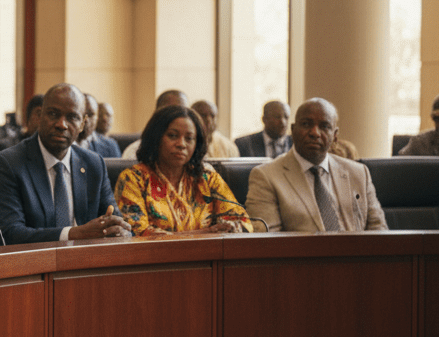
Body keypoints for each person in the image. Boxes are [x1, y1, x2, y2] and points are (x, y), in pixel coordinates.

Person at [0, 83, 131, 244]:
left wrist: (119, 231)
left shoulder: (93, 164)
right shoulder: (7, 164)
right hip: (28, 264)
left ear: (83, 124)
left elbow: (116, 222)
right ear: (39, 116)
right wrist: (75, 234)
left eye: (72, 117)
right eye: (53, 114)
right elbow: (10, 234)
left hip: (86, 262)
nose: (62, 124)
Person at [245, 98, 387, 232]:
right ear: (293, 130)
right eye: (306, 124)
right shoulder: (265, 176)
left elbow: (379, 231)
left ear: (335, 135)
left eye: (324, 126)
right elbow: (268, 244)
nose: (314, 133)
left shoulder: (359, 173)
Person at [113, 105, 252, 235]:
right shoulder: (134, 179)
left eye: (189, 138)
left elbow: (243, 222)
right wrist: (205, 234)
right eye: (173, 136)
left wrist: (232, 227)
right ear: (156, 138)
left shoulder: (207, 178)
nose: (181, 144)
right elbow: (136, 233)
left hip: (209, 257)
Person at [121, 89, 190, 160]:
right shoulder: (135, 152)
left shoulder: (195, 150)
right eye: (172, 112)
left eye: (184, 112)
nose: (179, 117)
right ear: (157, 114)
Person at [76, 93, 120, 158]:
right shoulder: (60, 142)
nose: (86, 120)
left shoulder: (110, 145)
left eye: (90, 115)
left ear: (97, 117)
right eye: (82, 114)